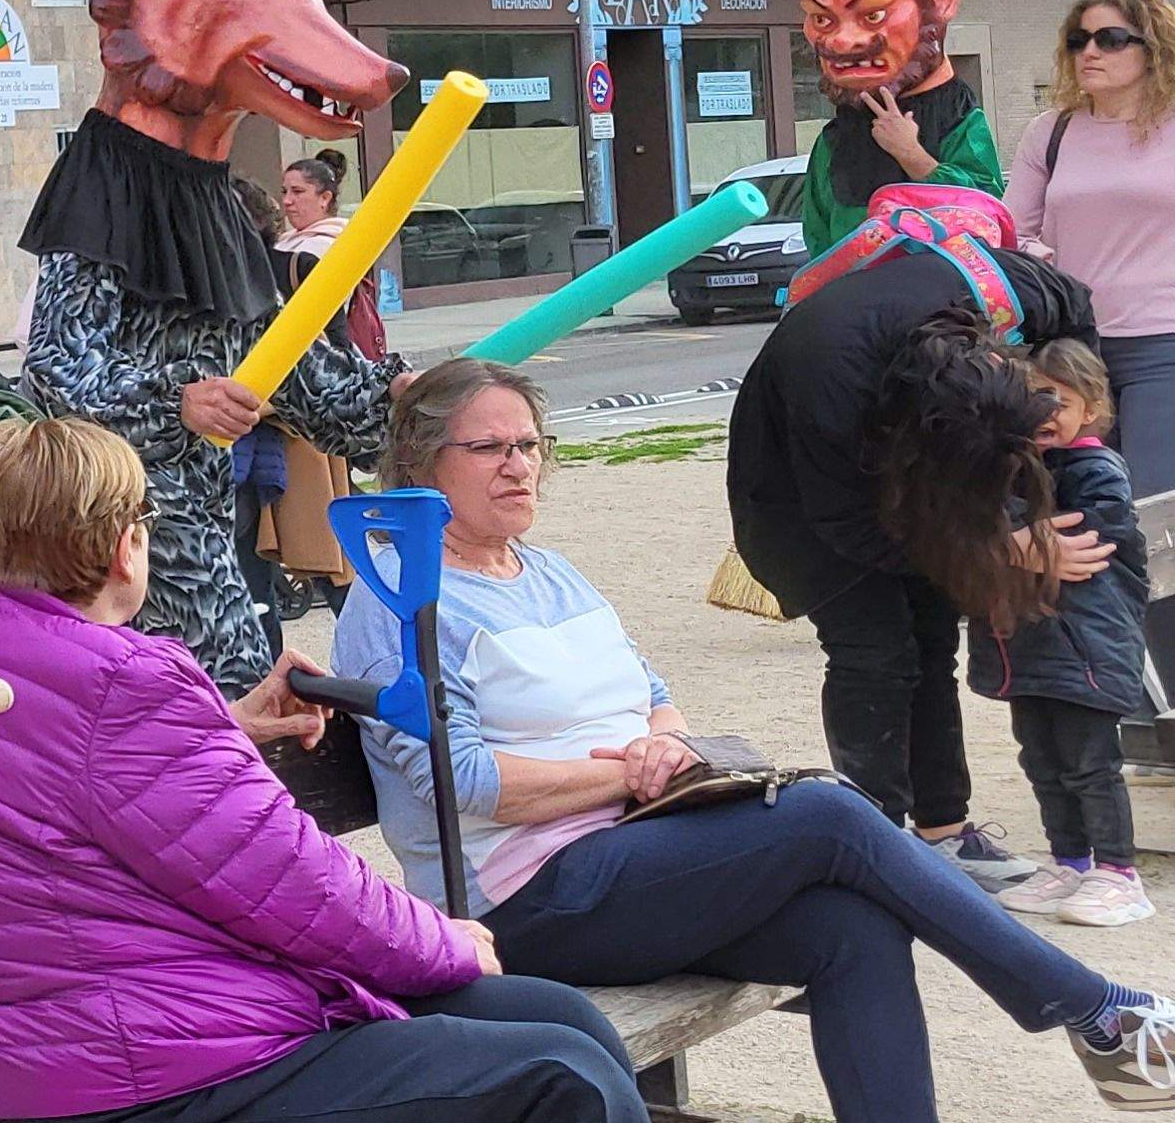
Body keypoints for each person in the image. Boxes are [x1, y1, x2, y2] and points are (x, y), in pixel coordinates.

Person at [343, 359, 1175, 1118]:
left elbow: (653, 698)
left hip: (640, 852)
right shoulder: (398, 598)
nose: (518, 465)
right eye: (488, 447)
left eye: (529, 443)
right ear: (420, 463)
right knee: (829, 814)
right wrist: (631, 776)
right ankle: (1088, 1006)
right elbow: (463, 783)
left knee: (853, 929)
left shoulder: (549, 569)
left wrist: (666, 746)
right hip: (523, 900)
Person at [0, 414, 645, 1123]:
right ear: (124, 548)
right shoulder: (123, 687)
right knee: (560, 1070)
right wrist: (446, 939)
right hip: (138, 1075)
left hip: (42, 1059)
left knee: (556, 1017)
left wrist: (226, 725)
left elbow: (78, 784)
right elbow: (298, 886)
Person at [21, 0, 404, 692]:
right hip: (109, 554)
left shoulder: (220, 204)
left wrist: (403, 399)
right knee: (221, 712)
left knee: (249, 703)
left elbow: (295, 377)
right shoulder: (104, 183)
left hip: (204, 544)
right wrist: (178, 401)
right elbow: (54, 374)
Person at [727, 186, 1105, 878]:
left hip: (910, 464)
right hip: (802, 499)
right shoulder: (831, 378)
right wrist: (993, 543)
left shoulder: (1003, 291)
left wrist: (1066, 415)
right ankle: (879, 842)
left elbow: (1077, 312)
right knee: (875, 651)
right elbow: (844, 522)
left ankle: (944, 832)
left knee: (933, 641)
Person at [975, 338, 1152, 926]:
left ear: (1091, 409)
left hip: (1085, 648)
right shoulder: (1009, 469)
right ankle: (1070, 862)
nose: (1046, 413)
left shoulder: (1095, 469)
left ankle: (1119, 874)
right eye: (1032, 399)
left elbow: (1089, 531)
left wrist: (1012, 537)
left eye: (1061, 401)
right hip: (1029, 647)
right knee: (1042, 760)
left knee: (1089, 764)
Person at [1008, 0, 1175, 515]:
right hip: (1071, 347)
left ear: (1153, 48)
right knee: (1080, 504)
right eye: (1079, 40)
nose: (1090, 52)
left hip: (1163, 345)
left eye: (1111, 39)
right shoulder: (1051, 131)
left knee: (1153, 508)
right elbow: (1008, 232)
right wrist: (1041, 256)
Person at [792, 0, 1001, 254]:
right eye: (821, 19)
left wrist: (913, 156)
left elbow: (986, 212)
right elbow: (819, 235)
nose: (842, 41)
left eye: (873, 14)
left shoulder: (955, 116)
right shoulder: (834, 138)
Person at [278, 154, 385, 360]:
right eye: (285, 191)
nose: (287, 200)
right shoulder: (287, 240)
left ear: (324, 198)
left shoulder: (328, 245)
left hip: (316, 356)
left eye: (298, 192)